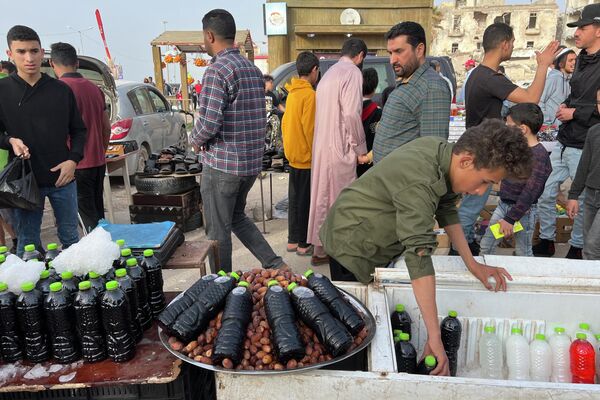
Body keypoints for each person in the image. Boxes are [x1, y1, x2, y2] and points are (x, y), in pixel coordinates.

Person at [320, 119, 531, 375]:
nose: (480, 192)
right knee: (354, 329)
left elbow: (446, 210)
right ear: (465, 161)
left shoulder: (442, 153)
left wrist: (472, 263)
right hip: (351, 242)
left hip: (377, 234)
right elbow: (419, 256)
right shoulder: (421, 179)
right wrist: (435, 337)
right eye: (484, 181)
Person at [190, 9, 285, 272]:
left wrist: (194, 140)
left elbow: (208, 123)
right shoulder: (252, 70)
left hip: (222, 166)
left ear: (209, 35)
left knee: (218, 231)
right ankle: (275, 264)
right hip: (249, 165)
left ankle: (223, 285)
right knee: (236, 218)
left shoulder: (216, 71)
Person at [452, 22, 558, 256]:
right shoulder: (490, 78)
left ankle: (465, 245)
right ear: (505, 44)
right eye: (513, 43)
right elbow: (531, 99)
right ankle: (459, 250)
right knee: (471, 207)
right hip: (483, 152)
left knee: (471, 205)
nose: (513, 47)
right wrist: (542, 66)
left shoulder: (477, 75)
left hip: (479, 147)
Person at [0, 25, 87, 256]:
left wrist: (73, 161)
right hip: (25, 181)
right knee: (28, 244)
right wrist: (10, 141)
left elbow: (79, 130)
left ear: (42, 53)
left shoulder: (60, 90)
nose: (29, 58)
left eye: (34, 51)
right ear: (10, 54)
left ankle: (75, 288)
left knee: (71, 239)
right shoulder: (3, 90)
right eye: (21, 52)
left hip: (62, 176)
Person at [534, 3, 600, 259]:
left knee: (582, 202)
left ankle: (577, 246)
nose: (577, 32)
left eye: (583, 27)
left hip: (586, 143)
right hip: (564, 140)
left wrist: (576, 113)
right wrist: (567, 106)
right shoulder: (582, 58)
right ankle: (548, 238)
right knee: (545, 190)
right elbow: (578, 95)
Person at [306, 38, 369, 267]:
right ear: (360, 56)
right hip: (340, 145)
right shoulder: (352, 72)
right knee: (342, 200)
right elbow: (352, 114)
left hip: (322, 145)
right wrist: (360, 149)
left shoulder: (329, 73)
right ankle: (338, 249)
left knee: (323, 196)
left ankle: (320, 248)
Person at [50, 42, 111, 233]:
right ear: (76, 63)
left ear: (52, 64)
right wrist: (101, 150)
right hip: (97, 162)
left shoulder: (56, 90)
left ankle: (102, 256)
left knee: (86, 221)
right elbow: (106, 127)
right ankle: (108, 251)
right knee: (98, 214)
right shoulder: (95, 88)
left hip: (74, 165)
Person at [479, 104, 552, 256]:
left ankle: (527, 279)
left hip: (524, 212)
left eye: (509, 127)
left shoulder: (539, 156)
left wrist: (510, 219)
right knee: (486, 245)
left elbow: (531, 192)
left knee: (523, 252)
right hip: (504, 207)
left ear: (523, 129)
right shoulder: (516, 148)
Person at [373, 22, 451, 164]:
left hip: (403, 184)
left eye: (399, 51)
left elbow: (433, 152)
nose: (392, 60)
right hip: (388, 181)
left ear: (419, 50)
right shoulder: (408, 79)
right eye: (390, 53)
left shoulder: (432, 88)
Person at [281, 51, 319, 257]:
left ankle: (292, 241)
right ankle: (304, 244)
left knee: (295, 202)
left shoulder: (293, 93)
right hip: (306, 158)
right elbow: (310, 129)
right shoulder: (309, 95)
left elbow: (286, 124)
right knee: (305, 204)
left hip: (293, 156)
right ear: (314, 71)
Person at [566, 88, 600, 260]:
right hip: (590, 196)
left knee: (592, 249)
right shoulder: (594, 131)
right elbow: (584, 165)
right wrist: (573, 195)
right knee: (588, 244)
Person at [538, 48, 577, 152]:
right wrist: (547, 124)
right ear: (561, 63)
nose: (574, 63)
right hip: (549, 130)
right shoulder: (553, 78)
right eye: (570, 60)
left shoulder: (570, 80)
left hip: (562, 131)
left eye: (575, 60)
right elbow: (540, 101)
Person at [357, 68, 382, 177]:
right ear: (375, 88)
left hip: (350, 163)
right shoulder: (378, 112)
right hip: (370, 164)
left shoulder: (349, 110)